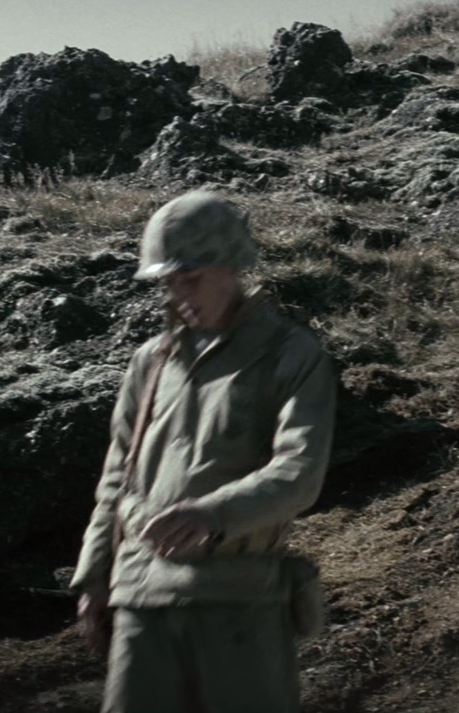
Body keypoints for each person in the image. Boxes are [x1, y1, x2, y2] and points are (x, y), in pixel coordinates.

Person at [71, 191, 336, 713]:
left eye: (190, 279)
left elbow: (300, 471)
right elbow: (117, 476)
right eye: (168, 283)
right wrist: (94, 576)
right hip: (141, 598)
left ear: (232, 266)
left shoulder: (290, 354)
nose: (178, 296)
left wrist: (213, 512)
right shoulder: (150, 363)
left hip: (238, 601)